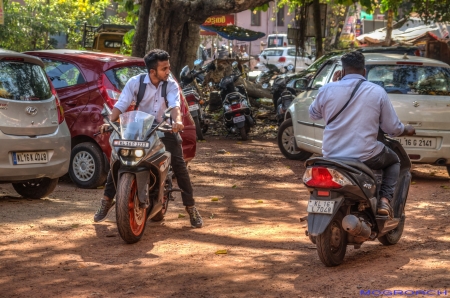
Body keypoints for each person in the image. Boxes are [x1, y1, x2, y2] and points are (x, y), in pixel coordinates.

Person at [94, 49, 203, 228]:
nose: (168, 71)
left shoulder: (170, 85)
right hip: (139, 129)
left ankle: (191, 208)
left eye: (168, 67)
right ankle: (106, 202)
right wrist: (109, 122)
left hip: (165, 129)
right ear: (152, 71)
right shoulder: (135, 83)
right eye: (164, 68)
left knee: (179, 165)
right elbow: (120, 105)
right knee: (120, 160)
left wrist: (177, 121)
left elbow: (175, 105)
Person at [309, 51, 415, 217]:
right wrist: (405, 130)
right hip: (365, 155)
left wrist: (332, 85)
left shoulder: (327, 89)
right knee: (394, 160)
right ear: (364, 71)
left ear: (342, 71)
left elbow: (313, 114)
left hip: (331, 154)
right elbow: (392, 129)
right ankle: (384, 201)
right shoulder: (377, 92)